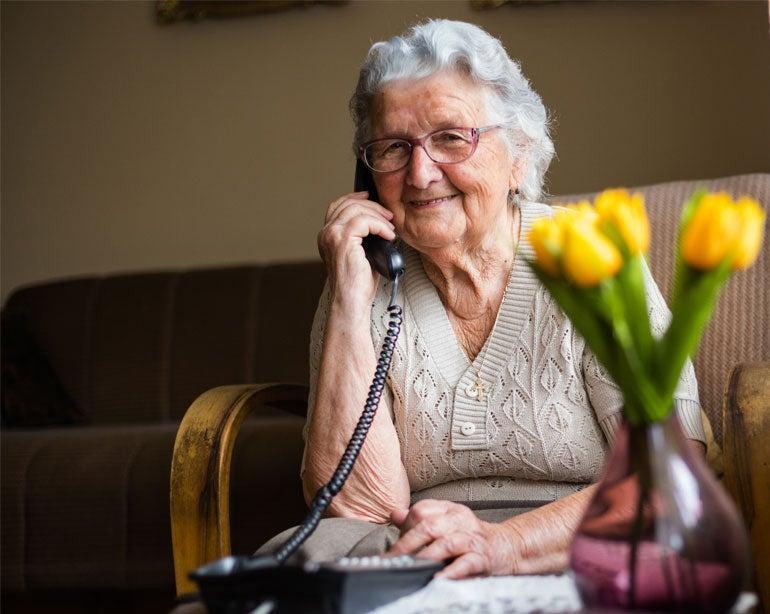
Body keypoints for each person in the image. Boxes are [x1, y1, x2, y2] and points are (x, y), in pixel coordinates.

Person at [258, 18, 706, 579]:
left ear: (519, 154)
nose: (420, 174)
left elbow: (666, 477)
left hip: (578, 540)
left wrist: (500, 545)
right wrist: (351, 301)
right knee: (297, 565)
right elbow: (356, 510)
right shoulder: (364, 273)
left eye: (451, 137)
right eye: (393, 148)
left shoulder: (592, 260)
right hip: (419, 552)